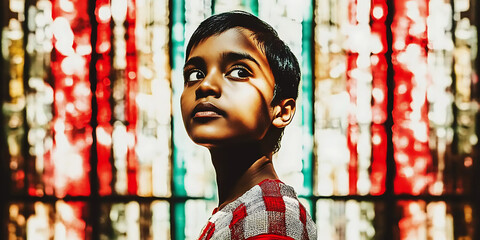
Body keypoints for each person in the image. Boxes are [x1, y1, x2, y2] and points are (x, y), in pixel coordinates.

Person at [180, 10, 317, 240]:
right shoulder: (240, 209)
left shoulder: (270, 219)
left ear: (282, 111)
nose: (205, 85)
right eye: (196, 74)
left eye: (239, 72)